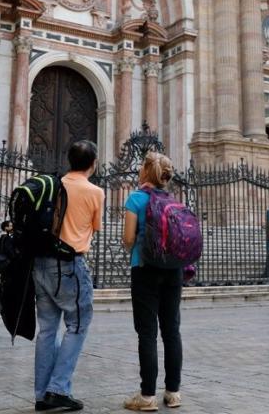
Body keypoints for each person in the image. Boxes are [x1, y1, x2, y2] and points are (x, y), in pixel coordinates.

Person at [33, 140, 103, 412]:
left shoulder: (54, 185)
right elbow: (95, 226)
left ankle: (41, 394)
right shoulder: (94, 192)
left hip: (41, 264)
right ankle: (58, 390)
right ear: (93, 164)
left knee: (47, 330)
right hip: (69, 265)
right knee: (77, 326)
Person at [122, 152, 184, 411]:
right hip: (173, 270)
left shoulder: (136, 199)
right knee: (171, 330)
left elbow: (127, 239)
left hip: (145, 268)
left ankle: (147, 396)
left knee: (146, 332)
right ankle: (173, 393)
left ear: (145, 172)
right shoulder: (174, 202)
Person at [0, 220, 15, 317]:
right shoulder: (5, 239)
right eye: (11, 226)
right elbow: (11, 254)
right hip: (8, 269)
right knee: (4, 289)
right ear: (6, 228)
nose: (13, 227)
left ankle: (0, 310)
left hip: (5, 269)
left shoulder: (2, 239)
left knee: (4, 289)